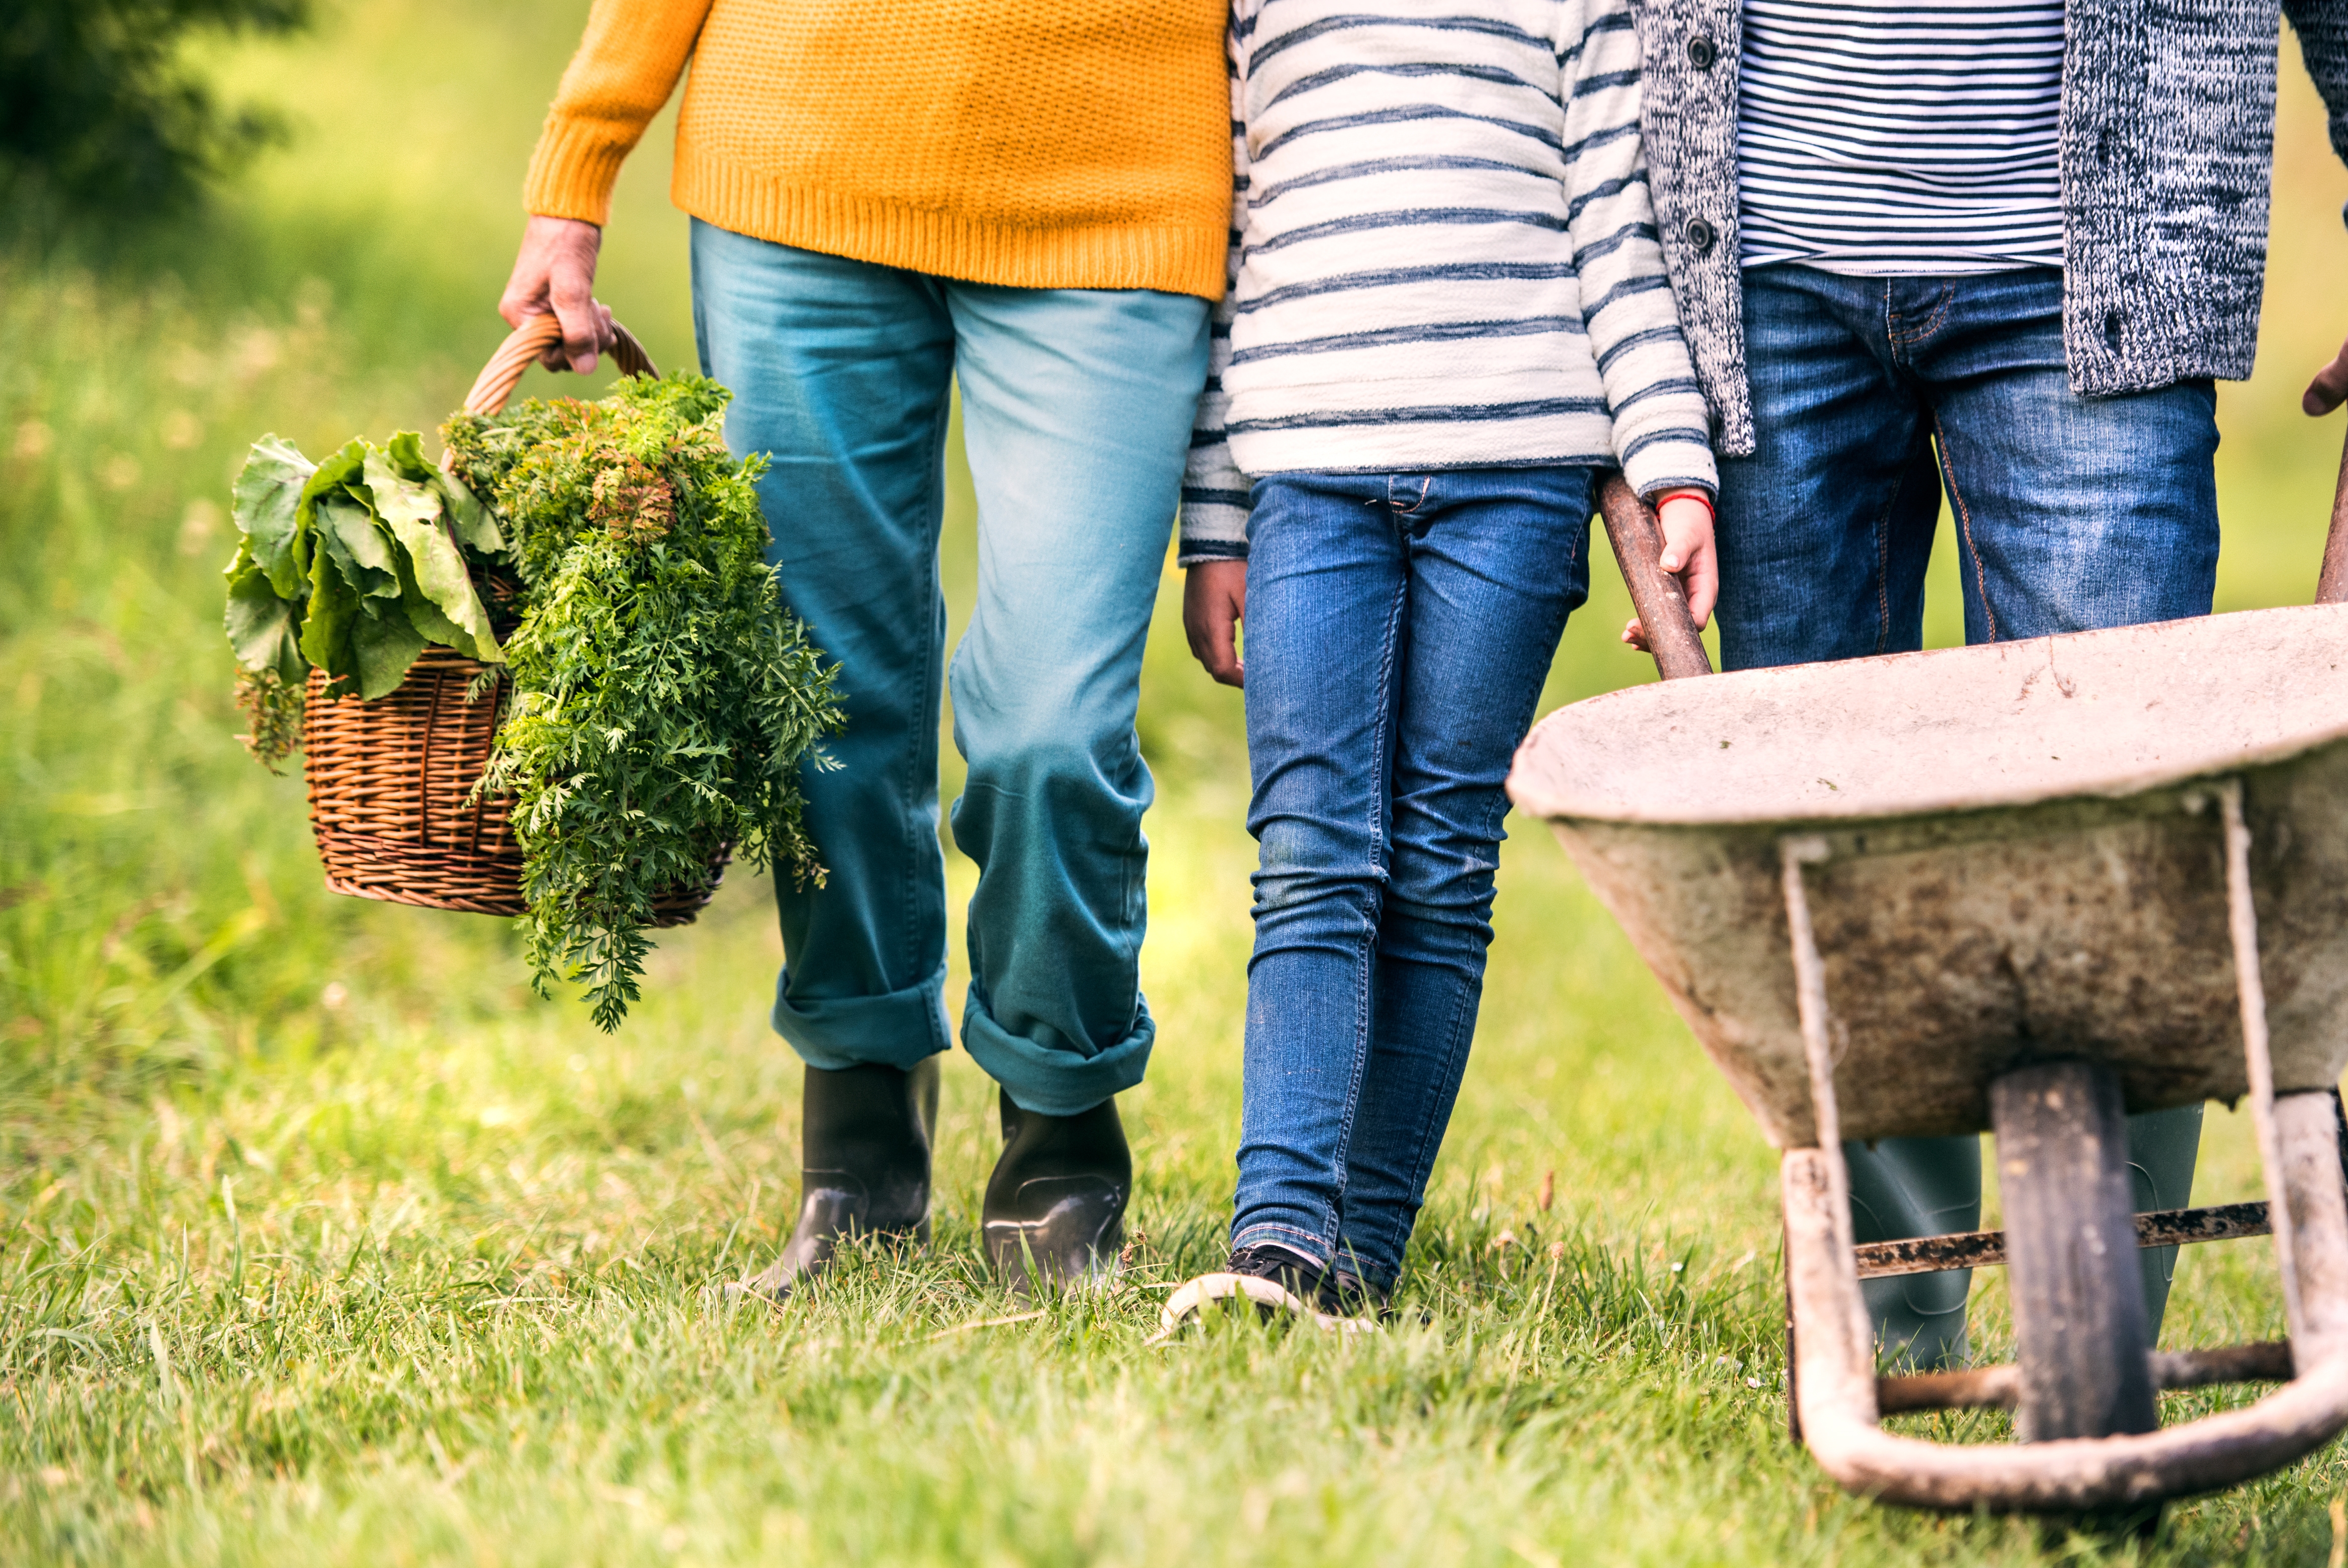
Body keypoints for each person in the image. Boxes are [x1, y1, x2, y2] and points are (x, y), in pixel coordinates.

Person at [1627, 0, 2348, 1363]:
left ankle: (2100, 1352)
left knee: (2125, 821)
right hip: (1762, 270)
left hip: (2087, 271)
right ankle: (1905, 1341)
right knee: (1829, 830)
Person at [497, 0, 1234, 1295]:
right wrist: (579, 165)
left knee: (1052, 726)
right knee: (821, 700)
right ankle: (860, 1141)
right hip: (797, 170)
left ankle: (1060, 1135)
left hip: (1117, 193)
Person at [1165, 0, 1721, 1320]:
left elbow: (1617, 233)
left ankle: (1356, 1263)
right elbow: (1226, 252)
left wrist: (1670, 462)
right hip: (1311, 474)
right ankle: (1279, 1237)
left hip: (1516, 482)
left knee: (1438, 859)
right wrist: (1216, 520)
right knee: (1313, 849)